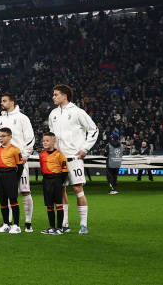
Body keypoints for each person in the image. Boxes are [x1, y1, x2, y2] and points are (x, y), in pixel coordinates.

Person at [47, 83, 98, 234]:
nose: (53, 97)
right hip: (58, 159)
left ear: (64, 96)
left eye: (56, 94)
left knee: (77, 189)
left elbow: (94, 130)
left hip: (74, 158)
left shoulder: (78, 112)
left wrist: (85, 148)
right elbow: (52, 136)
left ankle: (83, 225)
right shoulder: (53, 114)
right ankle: (65, 223)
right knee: (61, 190)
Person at [0, 93, 36, 232]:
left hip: (19, 161)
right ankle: (8, 223)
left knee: (25, 191)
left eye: (4, 100)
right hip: (5, 164)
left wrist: (24, 156)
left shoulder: (22, 118)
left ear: (12, 102)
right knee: (6, 194)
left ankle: (28, 223)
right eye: (1, 101)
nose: (2, 103)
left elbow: (30, 139)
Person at [0, 127, 24, 234]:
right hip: (0, 176)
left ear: (10, 137)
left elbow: (20, 166)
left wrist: (16, 179)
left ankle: (17, 225)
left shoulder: (15, 150)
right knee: (2, 200)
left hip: (10, 176)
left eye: (3, 136)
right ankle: (6, 224)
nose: (0, 138)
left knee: (13, 200)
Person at [39, 132, 68, 234]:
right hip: (46, 181)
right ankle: (51, 227)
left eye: (47, 140)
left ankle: (59, 228)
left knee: (59, 204)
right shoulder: (42, 155)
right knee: (49, 205)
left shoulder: (59, 154)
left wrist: (60, 182)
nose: (44, 142)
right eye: (43, 141)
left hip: (57, 180)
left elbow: (65, 170)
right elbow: (42, 169)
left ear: (53, 141)